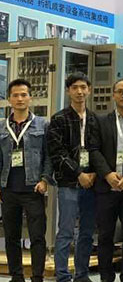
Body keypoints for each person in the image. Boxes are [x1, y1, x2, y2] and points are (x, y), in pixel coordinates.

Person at [48, 72, 100, 282]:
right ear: (68, 91)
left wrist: (94, 173)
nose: (80, 91)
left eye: (83, 87)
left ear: (89, 90)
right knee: (66, 231)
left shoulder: (96, 119)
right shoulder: (58, 119)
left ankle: (82, 275)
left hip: (92, 183)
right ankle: (62, 276)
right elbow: (57, 153)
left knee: (86, 232)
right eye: (75, 87)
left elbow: (100, 149)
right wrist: (79, 174)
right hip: (68, 183)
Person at [0, 79, 53, 282]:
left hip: (33, 188)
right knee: (11, 236)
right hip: (8, 189)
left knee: (37, 236)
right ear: (9, 99)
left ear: (31, 98)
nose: (20, 99)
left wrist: (45, 180)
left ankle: (37, 276)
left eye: (24, 95)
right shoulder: (2, 126)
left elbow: (49, 156)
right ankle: (16, 276)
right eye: (15, 95)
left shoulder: (42, 124)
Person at [90, 78, 123, 282]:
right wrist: (107, 174)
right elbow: (94, 150)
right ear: (113, 95)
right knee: (105, 236)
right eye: (120, 91)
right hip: (106, 188)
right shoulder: (101, 121)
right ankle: (106, 277)